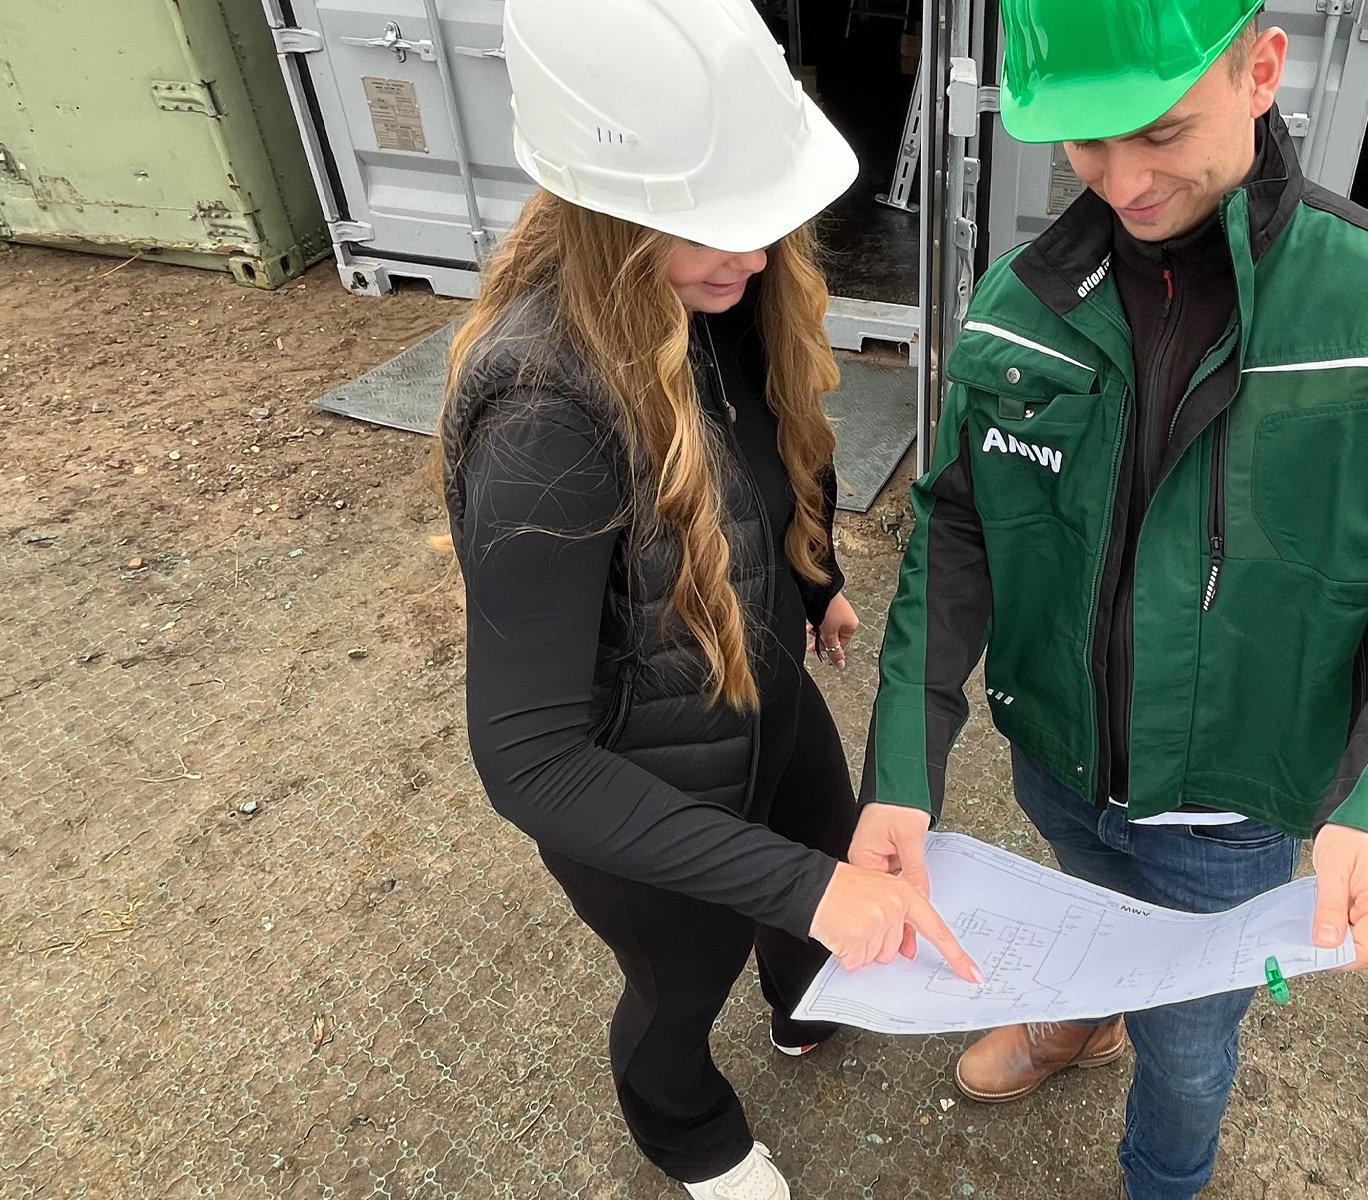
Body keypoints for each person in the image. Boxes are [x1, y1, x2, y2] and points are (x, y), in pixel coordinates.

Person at [851, 3, 1368, 1197]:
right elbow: (957, 528)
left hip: (1233, 816)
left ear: (1262, 71)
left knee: (1187, 1046)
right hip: (1062, 765)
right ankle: (1082, 1021)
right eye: (1086, 142)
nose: (1122, 182)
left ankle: (1163, 1177)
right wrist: (903, 771)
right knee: (1079, 916)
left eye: (1161, 132)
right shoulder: (1021, 302)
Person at [438, 2, 980, 1198]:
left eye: (763, 217)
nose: (756, 253)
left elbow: (774, 442)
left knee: (821, 847)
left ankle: (803, 998)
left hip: (760, 688)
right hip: (644, 779)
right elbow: (528, 759)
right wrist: (812, 890)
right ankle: (687, 1132)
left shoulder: (721, 291)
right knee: (681, 980)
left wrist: (814, 578)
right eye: (717, 226)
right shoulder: (543, 417)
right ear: (608, 207)